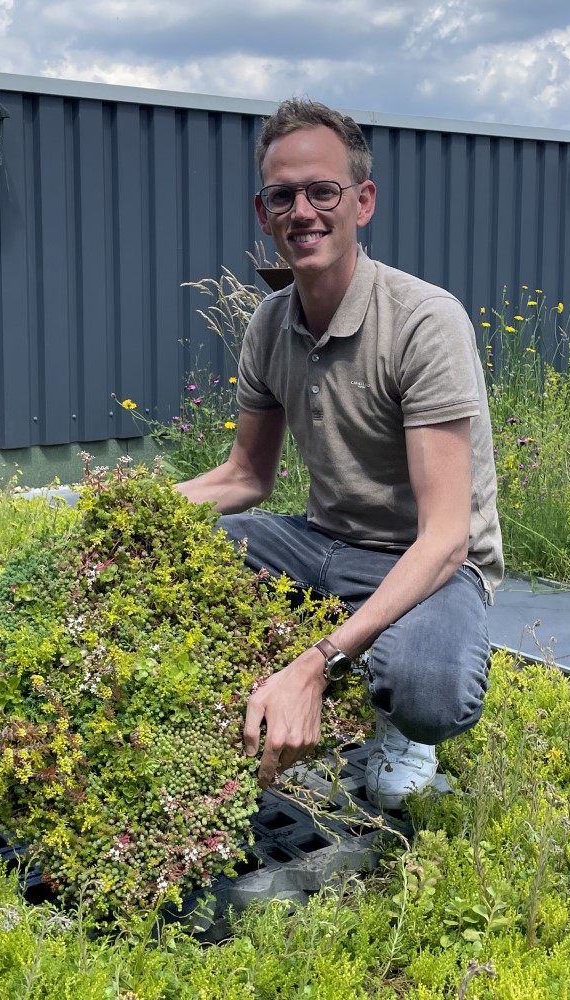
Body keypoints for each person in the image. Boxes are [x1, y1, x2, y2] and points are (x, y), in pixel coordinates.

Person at [176, 97, 503, 809]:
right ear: (263, 214)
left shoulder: (423, 321)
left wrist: (318, 662)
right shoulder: (268, 323)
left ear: (363, 201)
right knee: (193, 552)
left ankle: (390, 716)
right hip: (322, 541)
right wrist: (137, 508)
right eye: (283, 195)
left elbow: (448, 536)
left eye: (324, 190)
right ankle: (260, 683)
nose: (304, 211)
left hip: (431, 562)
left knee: (427, 689)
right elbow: (245, 476)